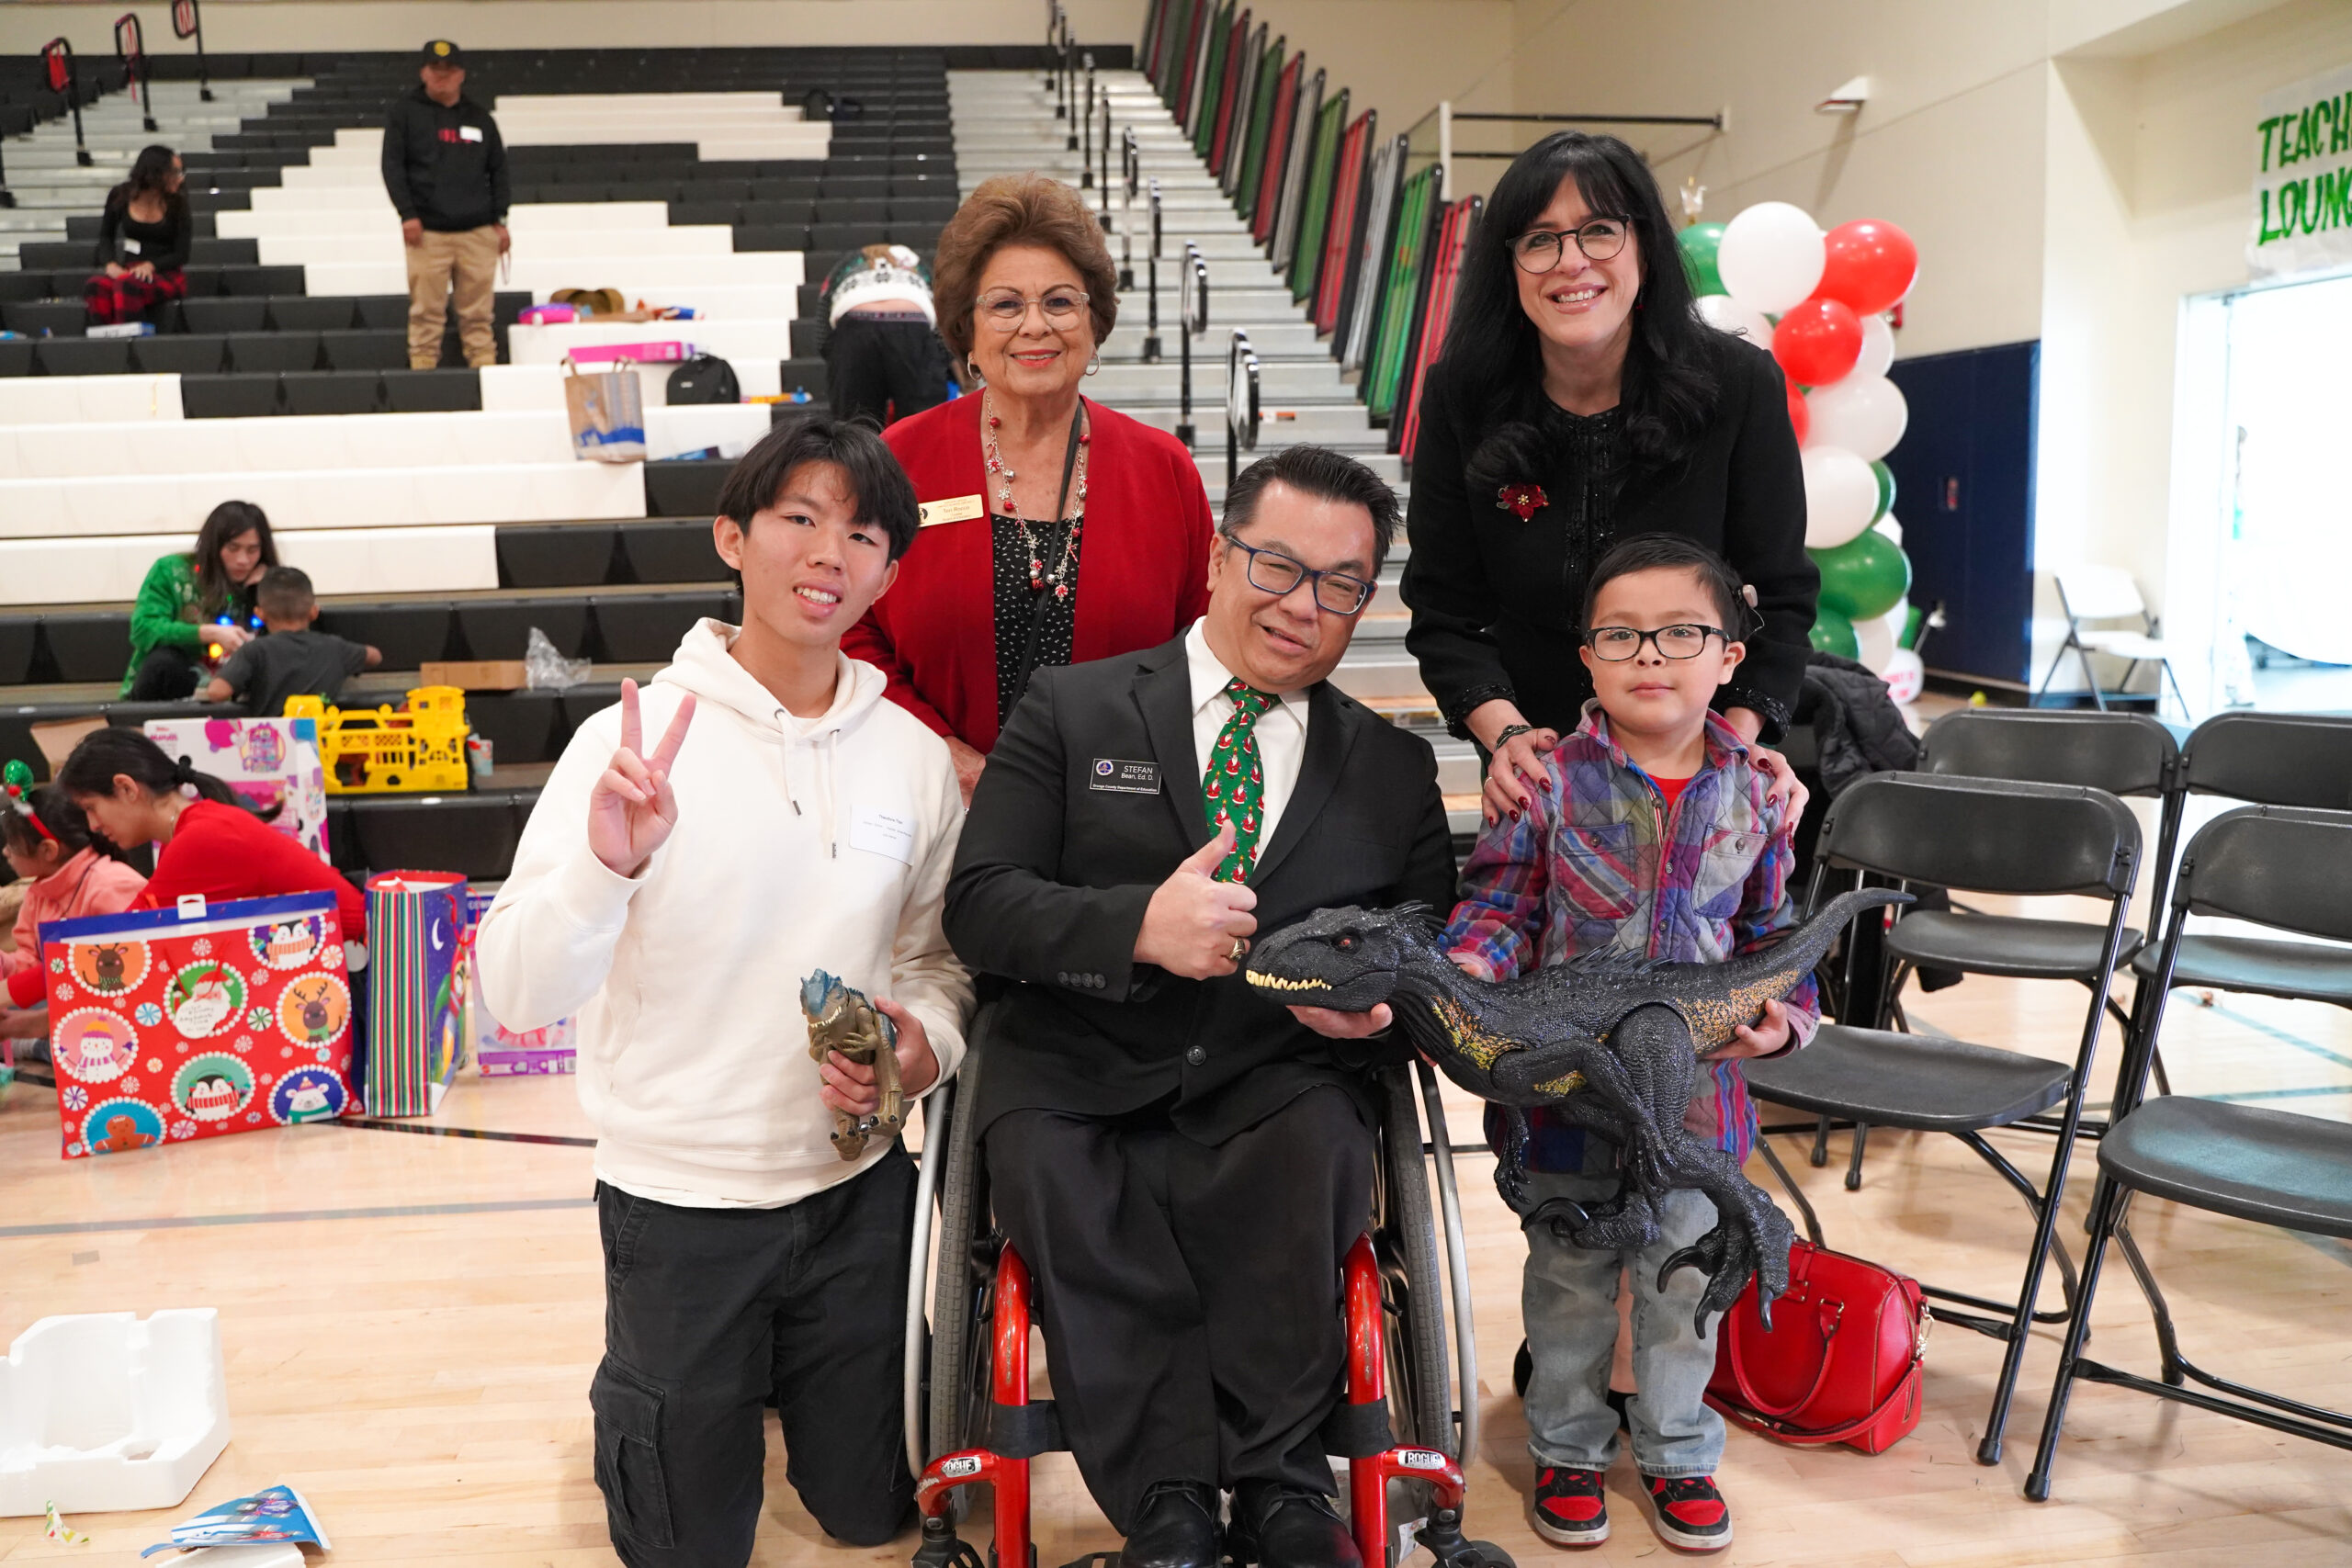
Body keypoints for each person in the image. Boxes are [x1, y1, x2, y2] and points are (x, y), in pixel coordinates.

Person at [475, 419, 973, 1568]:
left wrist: (920, 1051)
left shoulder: (908, 756)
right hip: (678, 1206)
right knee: (688, 1550)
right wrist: (610, 864)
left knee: (873, 1514)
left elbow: (935, 965)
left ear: (890, 573)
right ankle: (669, 1409)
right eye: (799, 517)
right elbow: (513, 989)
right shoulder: (631, 743)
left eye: (861, 533)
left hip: (857, 1192)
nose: (828, 552)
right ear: (731, 537)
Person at [944, 446, 1453, 1568]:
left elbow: (1426, 952)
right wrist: (1136, 927)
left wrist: (1371, 1014)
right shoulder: (1072, 709)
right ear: (1222, 556)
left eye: (1338, 584)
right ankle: (1168, 1496)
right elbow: (981, 905)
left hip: (1275, 1068)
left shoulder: (1389, 771)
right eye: (1277, 565)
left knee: (1316, 1153)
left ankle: (1280, 1487)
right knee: (1057, 1177)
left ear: (1363, 601)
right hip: (1076, 1065)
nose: (1301, 604)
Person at [1440, 535, 1819, 1555]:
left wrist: (1786, 1022)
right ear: (1586, 658)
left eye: (1681, 633)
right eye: (1621, 635)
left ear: (1729, 656)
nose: (1650, 655)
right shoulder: (1544, 783)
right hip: (1564, 1088)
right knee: (1565, 1271)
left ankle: (1678, 1451)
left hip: (1696, 1100)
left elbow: (1770, 938)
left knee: (1681, 1279)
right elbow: (1498, 907)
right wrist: (1469, 972)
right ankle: (1566, 1445)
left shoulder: (1760, 794)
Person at [1398, 130, 1817, 829]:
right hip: (1533, 771)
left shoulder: (1737, 386)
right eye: (1540, 239)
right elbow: (1444, 612)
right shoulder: (1461, 397)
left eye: (1599, 231)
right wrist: (1507, 738)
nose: (1572, 262)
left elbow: (1780, 594)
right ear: (1509, 264)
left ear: (1644, 247)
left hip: (1697, 767)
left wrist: (1731, 747)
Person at [843, 173, 1216, 805]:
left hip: (1117, 815)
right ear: (968, 329)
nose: (1035, 325)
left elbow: (1204, 640)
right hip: (935, 804)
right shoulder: (899, 459)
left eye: (1061, 302)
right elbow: (850, 628)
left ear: (1094, 322)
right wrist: (945, 756)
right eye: (1007, 304)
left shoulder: (1163, 468)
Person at [57, 728, 367, 941]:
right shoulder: (188, 833)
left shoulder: (200, 839)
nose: (93, 824)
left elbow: (122, 939)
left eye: (91, 807)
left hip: (377, 975)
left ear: (126, 788)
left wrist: (12, 993)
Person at [381, 39, 511, 371]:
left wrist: (500, 219)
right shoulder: (405, 113)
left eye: (449, 70)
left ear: (461, 75)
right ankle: (423, 373)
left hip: (478, 231)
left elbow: (498, 169)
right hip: (428, 233)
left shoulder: (480, 118)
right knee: (426, 311)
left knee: (479, 313)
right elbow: (392, 167)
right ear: (423, 72)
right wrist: (407, 214)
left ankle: (485, 371)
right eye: (435, 70)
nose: (442, 76)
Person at [0, 784, 148, 1055]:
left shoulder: (111, 886)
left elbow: (131, 977)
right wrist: (5, 963)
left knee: (77, 1046)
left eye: (11, 845)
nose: (6, 853)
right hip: (72, 1007)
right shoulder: (40, 891)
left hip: (126, 1017)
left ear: (48, 850)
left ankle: (37, 1042)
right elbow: (31, 961)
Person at [122, 501, 277, 700]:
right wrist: (208, 633)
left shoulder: (268, 581)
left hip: (238, 685)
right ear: (214, 546)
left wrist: (262, 593)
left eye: (252, 550)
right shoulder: (171, 570)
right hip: (178, 680)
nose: (243, 560)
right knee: (163, 662)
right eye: (233, 548)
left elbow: (286, 641)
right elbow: (143, 629)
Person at [202, 567, 382, 717]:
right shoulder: (336, 648)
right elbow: (374, 656)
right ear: (313, 612)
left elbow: (217, 692)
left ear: (260, 614)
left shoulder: (254, 651)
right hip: (323, 749)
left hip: (272, 749)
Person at [819, 243, 956, 426]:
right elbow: (944, 309)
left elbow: (822, 316)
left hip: (855, 325)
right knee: (922, 423)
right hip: (912, 324)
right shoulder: (917, 263)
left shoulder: (847, 264)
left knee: (855, 425)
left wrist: (835, 355)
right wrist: (939, 358)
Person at [85, 144, 191, 327]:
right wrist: (110, 263)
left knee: (127, 286)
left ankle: (131, 346)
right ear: (156, 173)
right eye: (175, 172)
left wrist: (151, 265)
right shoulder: (120, 195)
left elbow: (182, 254)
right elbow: (106, 237)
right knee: (95, 286)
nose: (180, 178)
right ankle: (106, 339)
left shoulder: (178, 203)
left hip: (165, 272)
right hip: (130, 269)